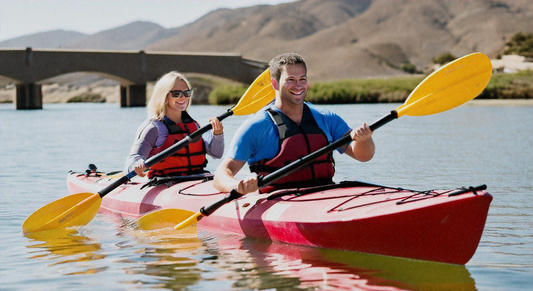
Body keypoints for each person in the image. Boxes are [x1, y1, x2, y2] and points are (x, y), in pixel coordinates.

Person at [213, 52, 374, 194]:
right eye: (290, 79)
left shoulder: (326, 118)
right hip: (278, 200)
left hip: (324, 194)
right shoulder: (256, 126)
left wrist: (364, 139)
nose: (298, 85)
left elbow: (364, 156)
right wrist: (238, 186)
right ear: (275, 84)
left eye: (302, 79)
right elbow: (221, 174)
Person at [124, 71, 224, 178]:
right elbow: (131, 161)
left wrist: (217, 135)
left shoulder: (194, 126)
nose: (183, 98)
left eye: (186, 93)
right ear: (164, 96)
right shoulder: (153, 128)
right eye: (176, 94)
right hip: (164, 182)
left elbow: (216, 154)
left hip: (196, 178)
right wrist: (138, 164)